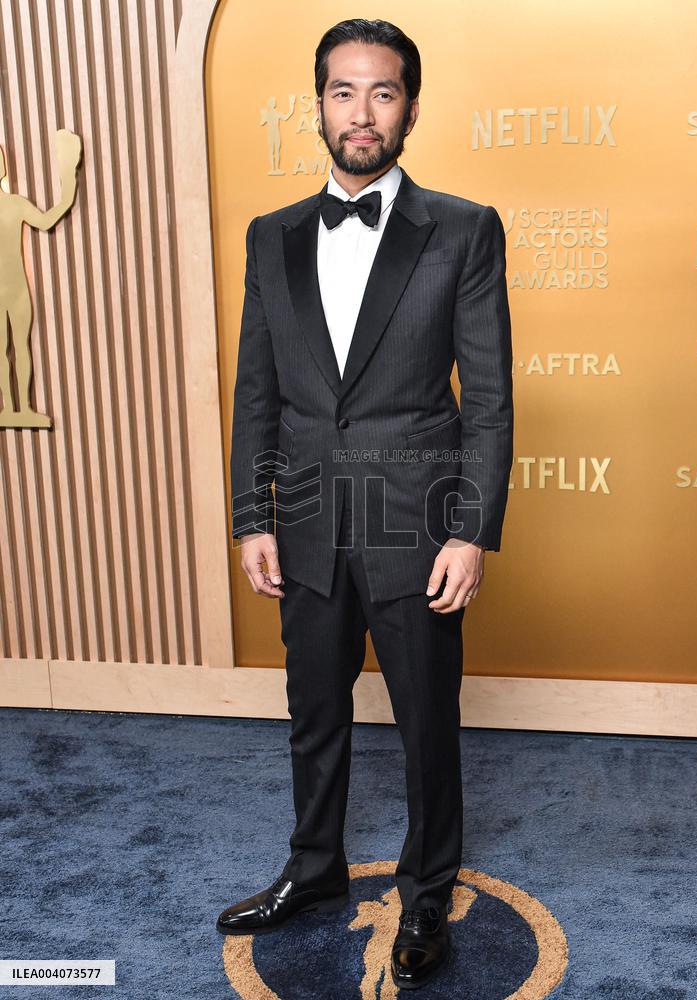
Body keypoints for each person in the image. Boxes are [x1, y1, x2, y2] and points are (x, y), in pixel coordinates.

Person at [217, 17, 514, 992]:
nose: (362, 111)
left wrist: (471, 530)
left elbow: (491, 397)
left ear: (410, 109)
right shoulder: (272, 237)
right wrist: (252, 515)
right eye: (343, 92)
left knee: (427, 719)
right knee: (313, 711)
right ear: (318, 107)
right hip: (302, 515)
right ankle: (314, 868)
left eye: (382, 93)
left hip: (415, 521)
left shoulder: (464, 228)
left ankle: (428, 892)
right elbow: (257, 388)